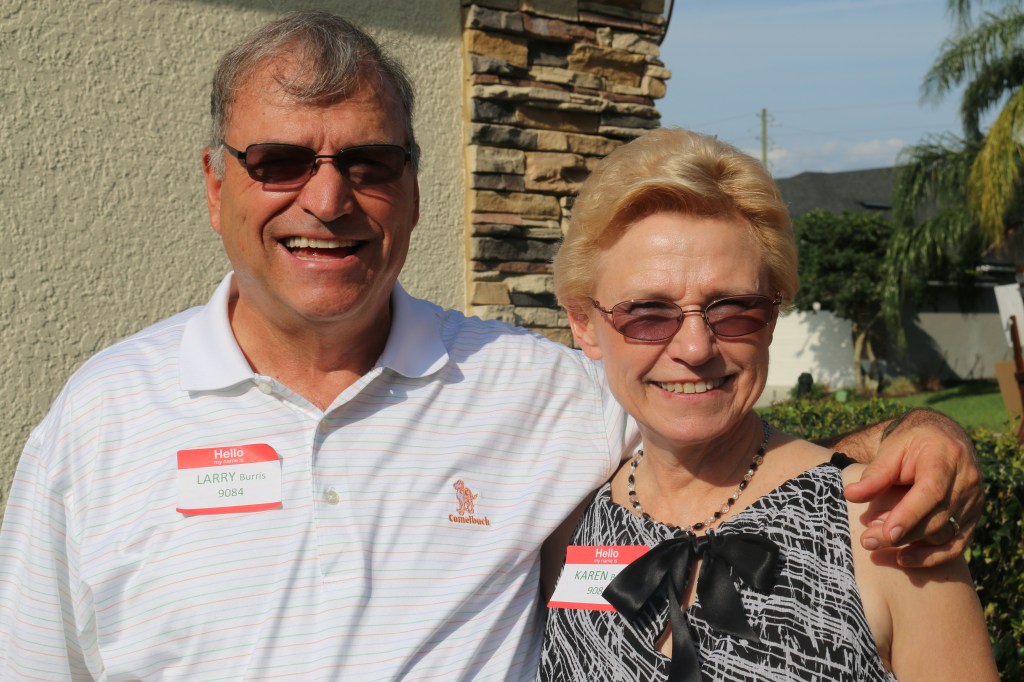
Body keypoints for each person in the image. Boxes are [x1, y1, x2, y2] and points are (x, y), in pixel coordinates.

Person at [0, 11, 982, 680]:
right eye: (281, 161)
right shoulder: (100, 419)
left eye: (369, 163)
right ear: (217, 187)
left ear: (413, 191)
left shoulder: (532, 387)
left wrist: (918, 433)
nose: (328, 199)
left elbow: (716, 434)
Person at [539, 128, 997, 681]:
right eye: (648, 313)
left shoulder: (882, 529)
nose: (695, 348)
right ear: (584, 324)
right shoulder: (572, 528)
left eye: (733, 308)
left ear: (772, 317)